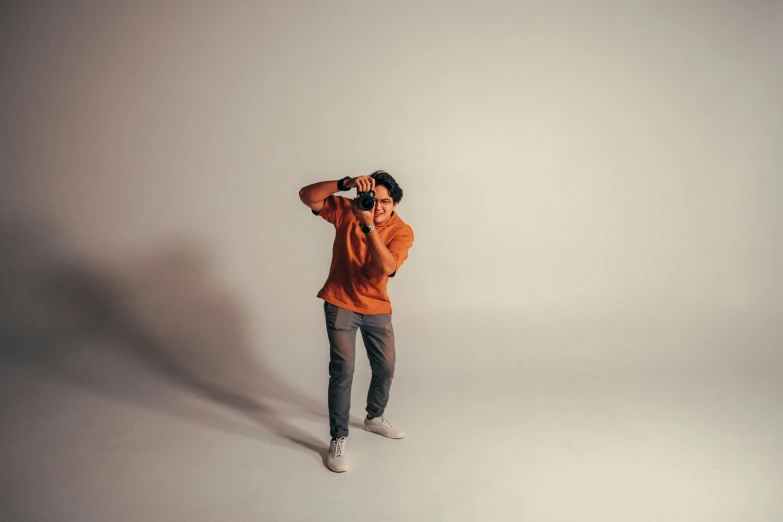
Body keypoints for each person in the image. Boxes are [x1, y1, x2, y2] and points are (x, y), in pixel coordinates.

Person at [298, 170, 414, 473]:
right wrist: (344, 184)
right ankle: (338, 437)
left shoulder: (403, 231)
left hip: (376, 307)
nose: (378, 207)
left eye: (386, 202)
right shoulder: (349, 210)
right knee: (343, 369)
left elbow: (387, 267)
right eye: (373, 199)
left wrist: (368, 229)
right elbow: (306, 196)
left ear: (395, 205)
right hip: (340, 302)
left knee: (386, 367)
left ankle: (374, 417)